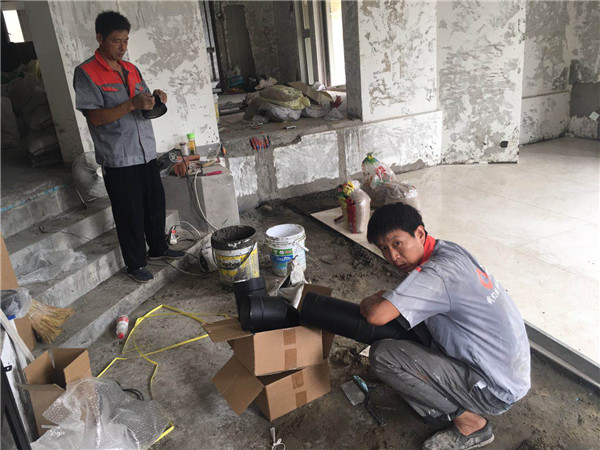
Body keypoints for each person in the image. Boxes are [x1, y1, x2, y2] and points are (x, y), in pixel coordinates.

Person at [360, 203, 530, 450]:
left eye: (397, 244)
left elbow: (377, 315)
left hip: (494, 389)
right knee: (409, 323)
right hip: (507, 369)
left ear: (419, 233)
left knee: (384, 357)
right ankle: (441, 392)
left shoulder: (437, 273)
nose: (393, 256)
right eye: (384, 248)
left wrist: (372, 299)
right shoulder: (447, 250)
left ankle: (471, 424)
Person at [73, 11, 183, 283]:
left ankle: (158, 248)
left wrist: (155, 98)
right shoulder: (86, 73)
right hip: (119, 157)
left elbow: (143, 104)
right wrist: (131, 104)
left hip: (145, 151)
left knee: (155, 205)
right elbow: (95, 117)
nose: (122, 47)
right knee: (129, 213)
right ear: (100, 38)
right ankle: (135, 264)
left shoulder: (131, 69)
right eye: (116, 41)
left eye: (125, 41)